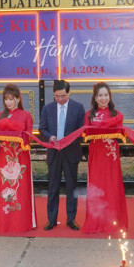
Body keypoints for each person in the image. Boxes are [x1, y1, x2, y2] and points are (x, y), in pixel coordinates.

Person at [38, 80, 85, 231]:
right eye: (57, 96)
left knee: (72, 187)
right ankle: (51, 219)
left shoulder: (78, 108)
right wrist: (49, 137)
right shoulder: (48, 108)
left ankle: (71, 219)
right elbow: (42, 128)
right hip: (54, 152)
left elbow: (82, 131)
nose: (60, 99)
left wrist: (70, 140)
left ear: (69, 93)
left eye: (63, 96)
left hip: (71, 152)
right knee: (53, 187)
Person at [82, 82, 128, 234]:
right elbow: (87, 134)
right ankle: (96, 222)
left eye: (106, 95)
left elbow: (120, 133)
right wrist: (106, 125)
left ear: (110, 96)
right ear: (95, 98)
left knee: (111, 186)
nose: (103, 98)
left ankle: (111, 222)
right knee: (97, 186)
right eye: (100, 95)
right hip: (96, 155)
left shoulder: (116, 114)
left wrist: (105, 124)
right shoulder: (89, 115)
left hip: (111, 157)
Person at [0, 84, 36, 233]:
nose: (9, 102)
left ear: (18, 99)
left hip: (20, 157)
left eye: (11, 99)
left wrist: (12, 128)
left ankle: (20, 223)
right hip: (4, 157)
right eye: (6, 99)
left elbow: (29, 137)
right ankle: (4, 223)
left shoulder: (25, 115)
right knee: (3, 188)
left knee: (20, 189)